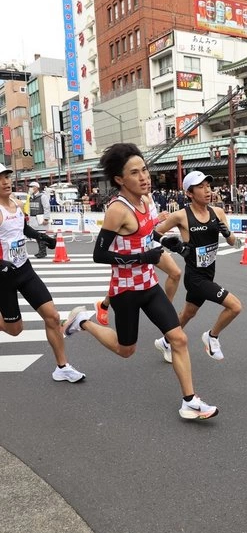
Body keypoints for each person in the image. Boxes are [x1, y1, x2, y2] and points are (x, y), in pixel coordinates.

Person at [62, 144, 217, 421]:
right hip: (126, 290)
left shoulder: (147, 201)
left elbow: (147, 237)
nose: (144, 177)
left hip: (149, 284)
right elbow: (99, 254)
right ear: (120, 180)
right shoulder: (117, 210)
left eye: (144, 169)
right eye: (135, 173)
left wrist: (170, 244)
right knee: (126, 350)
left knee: (178, 338)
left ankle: (190, 401)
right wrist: (141, 256)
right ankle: (83, 322)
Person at [0, 163, 85, 383]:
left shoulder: (17, 205)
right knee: (15, 330)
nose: (5, 181)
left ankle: (62, 367)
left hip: (24, 270)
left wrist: (40, 237)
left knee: (53, 316)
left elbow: (21, 228)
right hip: (4, 277)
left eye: (7, 176)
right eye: (0, 179)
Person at [154, 170, 242, 363]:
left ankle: (166, 341)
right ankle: (212, 337)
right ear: (189, 193)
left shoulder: (217, 212)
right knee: (235, 306)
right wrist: (169, 242)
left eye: (208, 186)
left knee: (188, 313)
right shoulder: (181, 216)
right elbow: (154, 233)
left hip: (209, 273)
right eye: (201, 187)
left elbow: (234, 243)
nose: (207, 190)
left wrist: (227, 233)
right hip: (195, 278)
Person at [94, 182, 181, 326]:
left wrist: (164, 240)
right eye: (136, 173)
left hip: (150, 244)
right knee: (125, 280)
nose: (145, 180)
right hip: (132, 248)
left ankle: (166, 308)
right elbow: (137, 227)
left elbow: (146, 228)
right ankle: (102, 305)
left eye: (145, 173)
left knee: (175, 273)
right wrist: (157, 219)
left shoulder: (147, 199)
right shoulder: (120, 206)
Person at [28, 181, 51, 258]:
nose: (30, 188)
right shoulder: (31, 197)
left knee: (41, 236)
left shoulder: (42, 196)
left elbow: (46, 207)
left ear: (36, 188)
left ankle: (43, 252)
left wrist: (46, 218)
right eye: (30, 187)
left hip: (41, 218)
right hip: (34, 219)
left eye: (32, 187)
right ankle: (41, 251)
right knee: (38, 237)